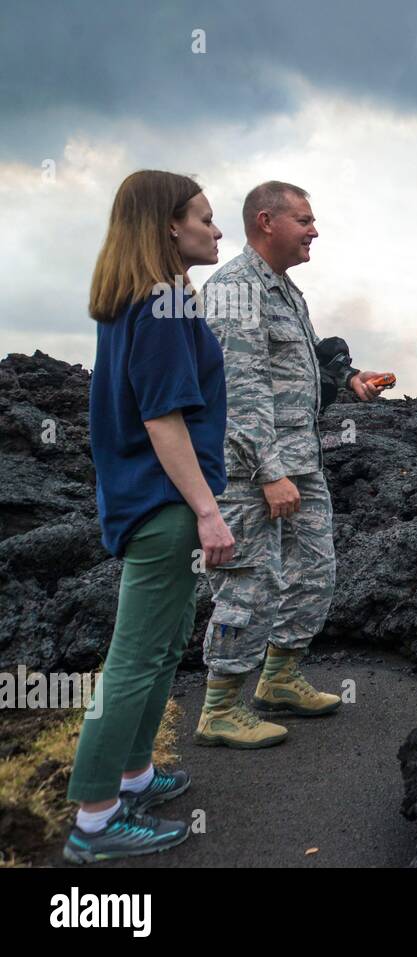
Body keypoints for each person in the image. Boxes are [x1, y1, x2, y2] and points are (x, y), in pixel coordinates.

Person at [64, 170, 234, 863]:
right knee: (135, 657)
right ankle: (96, 819)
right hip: (166, 503)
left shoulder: (136, 301)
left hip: (144, 498)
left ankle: (133, 774)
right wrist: (208, 511)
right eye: (204, 216)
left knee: (163, 647)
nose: (215, 229)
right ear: (169, 224)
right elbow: (162, 420)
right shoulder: (162, 301)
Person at [195, 180, 387, 747]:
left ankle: (278, 678)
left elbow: (293, 370)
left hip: (300, 459)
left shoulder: (285, 291)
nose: (314, 230)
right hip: (251, 468)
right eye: (303, 220)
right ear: (266, 221)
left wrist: (348, 379)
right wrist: (268, 472)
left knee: (314, 571)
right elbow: (240, 387)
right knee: (251, 583)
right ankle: (219, 707)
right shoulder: (234, 287)